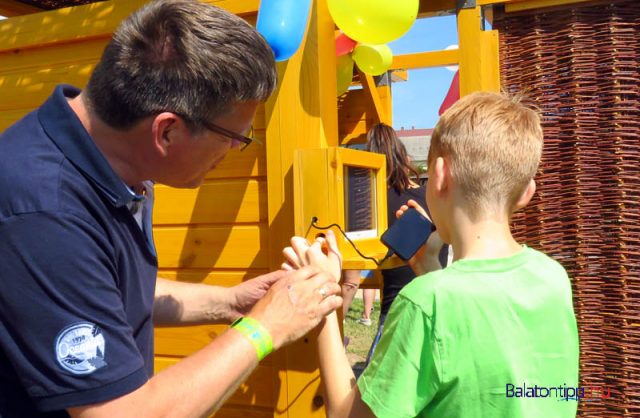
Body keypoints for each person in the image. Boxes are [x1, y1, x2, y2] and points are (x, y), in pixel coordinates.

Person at [0, 1, 342, 417]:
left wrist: (234, 302)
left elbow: (106, 293)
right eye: (236, 136)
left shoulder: (116, 166)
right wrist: (265, 328)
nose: (236, 149)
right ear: (167, 131)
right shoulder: (45, 212)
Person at [284, 92, 580, 417]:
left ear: (439, 175)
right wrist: (428, 268)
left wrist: (322, 297)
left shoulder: (425, 303)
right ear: (527, 193)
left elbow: (345, 414)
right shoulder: (552, 275)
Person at [362, 123, 447, 362]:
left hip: (396, 309)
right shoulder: (428, 196)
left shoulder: (372, 203)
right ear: (403, 155)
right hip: (435, 305)